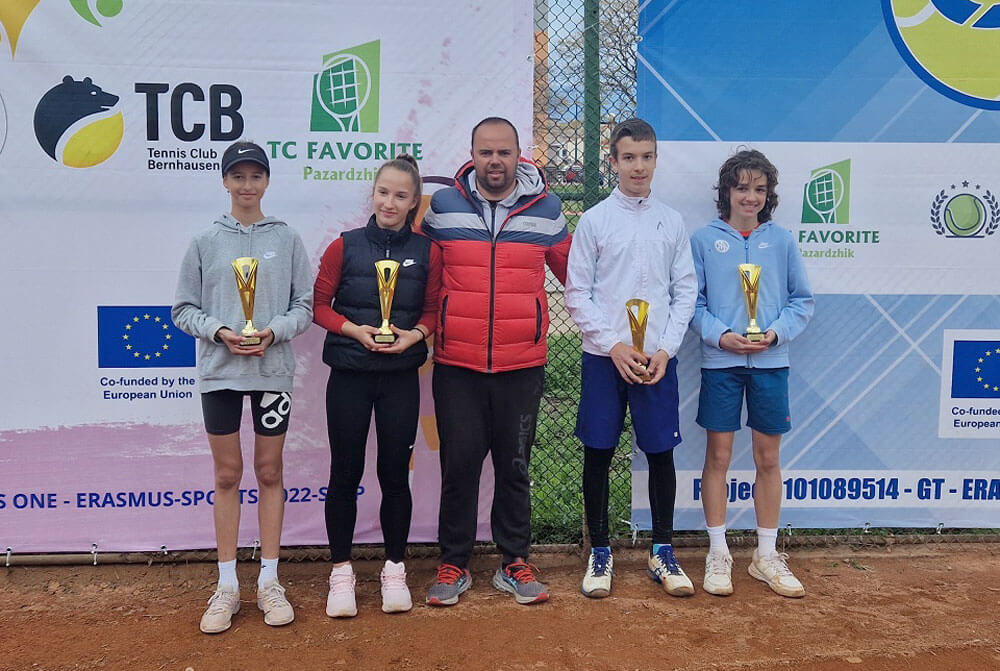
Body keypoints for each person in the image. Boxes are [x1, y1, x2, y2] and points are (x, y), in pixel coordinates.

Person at [420, 117, 571, 606]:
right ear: (472, 155)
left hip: (521, 364)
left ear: (518, 154)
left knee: (514, 466)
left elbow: (577, 277)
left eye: (504, 152)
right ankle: (454, 563)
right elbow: (423, 278)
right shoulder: (443, 207)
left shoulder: (547, 210)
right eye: (486, 152)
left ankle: (514, 562)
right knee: (459, 465)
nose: (495, 161)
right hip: (456, 364)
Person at [172, 140, 313, 633]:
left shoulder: (287, 238)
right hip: (220, 373)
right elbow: (183, 309)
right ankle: (227, 586)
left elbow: (304, 306)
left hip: (272, 372)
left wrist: (272, 332)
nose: (246, 185)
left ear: (267, 182)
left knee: (269, 471)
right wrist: (220, 332)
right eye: (238, 176)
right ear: (225, 182)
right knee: (228, 474)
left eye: (255, 176)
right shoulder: (205, 241)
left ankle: (269, 581)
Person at [565, 118, 697, 599]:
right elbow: (577, 292)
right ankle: (600, 551)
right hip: (605, 358)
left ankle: (662, 550)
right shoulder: (595, 220)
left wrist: (666, 349)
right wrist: (613, 345)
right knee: (598, 450)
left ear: (656, 160)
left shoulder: (672, 221)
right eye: (628, 158)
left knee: (660, 452)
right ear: (614, 161)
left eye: (646, 157)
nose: (638, 166)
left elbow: (685, 290)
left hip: (656, 360)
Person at [312, 155, 441, 616]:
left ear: (414, 202)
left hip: (399, 379)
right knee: (344, 474)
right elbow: (319, 306)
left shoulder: (428, 252)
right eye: (383, 192)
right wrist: (354, 331)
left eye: (401, 196)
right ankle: (341, 572)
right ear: (373, 194)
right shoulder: (343, 247)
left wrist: (415, 336)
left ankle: (394, 569)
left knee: (394, 475)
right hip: (349, 376)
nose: (390, 202)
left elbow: (432, 311)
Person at [690, 149, 814, 598]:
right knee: (718, 458)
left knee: (768, 459)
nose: (750, 196)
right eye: (742, 187)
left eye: (759, 189)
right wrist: (721, 336)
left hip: (770, 363)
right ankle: (717, 551)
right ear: (726, 191)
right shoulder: (704, 240)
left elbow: (802, 301)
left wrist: (775, 334)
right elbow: (694, 303)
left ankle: (765, 554)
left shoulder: (781, 241)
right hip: (721, 364)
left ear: (769, 195)